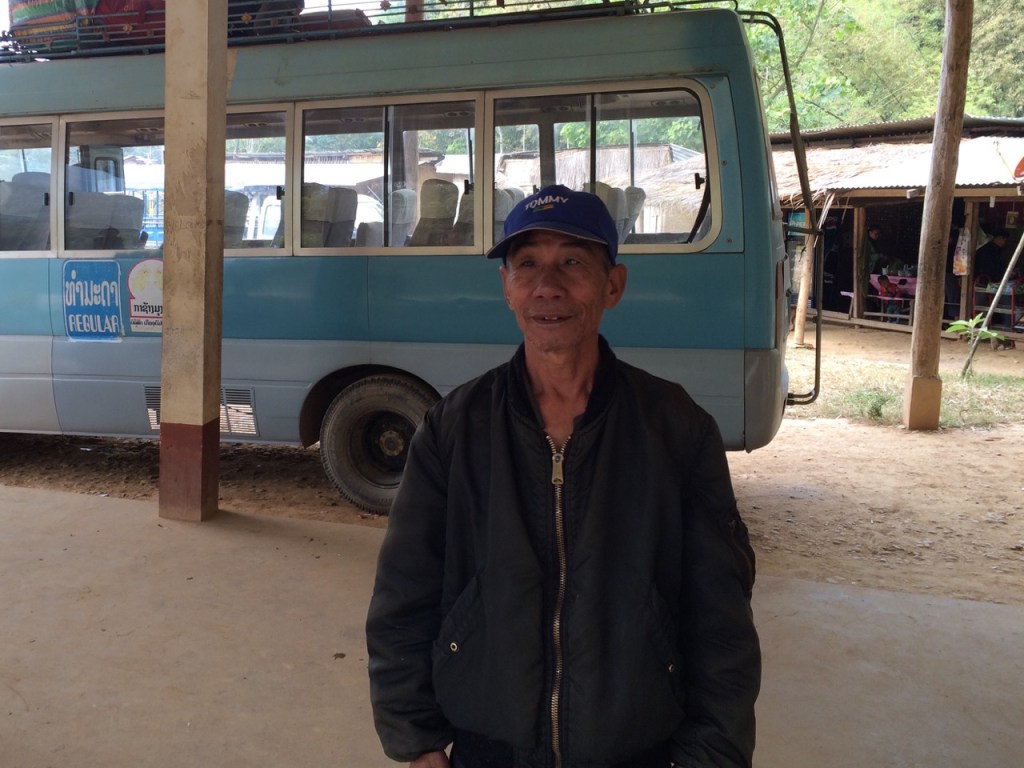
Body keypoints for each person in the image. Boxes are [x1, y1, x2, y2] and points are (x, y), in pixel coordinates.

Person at [366, 185, 761, 768]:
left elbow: (721, 616)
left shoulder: (676, 428)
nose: (547, 285)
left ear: (613, 286)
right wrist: (417, 740)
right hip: (488, 747)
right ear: (507, 289)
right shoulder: (455, 427)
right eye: (527, 265)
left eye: (573, 262)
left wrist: (712, 755)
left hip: (637, 748)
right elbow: (404, 593)